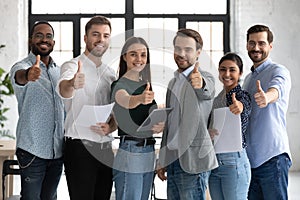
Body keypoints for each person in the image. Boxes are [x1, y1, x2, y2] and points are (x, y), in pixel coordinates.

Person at [57, 16, 117, 200]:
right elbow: (63, 90)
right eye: (96, 34)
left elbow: (114, 114)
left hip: (105, 148)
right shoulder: (73, 65)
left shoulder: (110, 73)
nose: (101, 40)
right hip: (79, 147)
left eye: (106, 36)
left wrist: (111, 127)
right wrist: (72, 83)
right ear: (85, 38)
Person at [156, 28, 218, 200]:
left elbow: (207, 90)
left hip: (193, 162)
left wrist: (200, 83)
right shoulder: (172, 83)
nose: (181, 53)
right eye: (178, 48)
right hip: (173, 160)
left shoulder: (206, 77)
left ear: (198, 53)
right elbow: (169, 125)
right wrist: (162, 159)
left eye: (188, 49)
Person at [10, 21, 64, 199]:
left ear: (53, 43)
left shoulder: (58, 72)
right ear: (30, 40)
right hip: (32, 151)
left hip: (56, 151)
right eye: (39, 35)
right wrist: (28, 75)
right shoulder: (21, 67)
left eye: (49, 36)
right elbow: (20, 77)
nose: (44, 39)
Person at [111, 36, 165, 200]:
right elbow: (124, 100)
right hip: (131, 151)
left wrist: (161, 124)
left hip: (148, 151)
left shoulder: (145, 85)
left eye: (143, 55)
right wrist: (139, 99)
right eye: (133, 54)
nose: (139, 59)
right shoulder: (119, 85)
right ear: (124, 57)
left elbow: (151, 116)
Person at [243, 24, 292, 200]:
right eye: (252, 43)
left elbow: (277, 89)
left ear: (270, 46)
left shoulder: (278, 71)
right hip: (250, 161)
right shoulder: (248, 79)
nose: (256, 48)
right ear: (247, 45)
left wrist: (268, 97)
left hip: (272, 158)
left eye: (261, 43)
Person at [208, 52, 251, 200]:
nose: (227, 74)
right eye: (222, 69)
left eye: (232, 69)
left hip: (234, 163)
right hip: (214, 163)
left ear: (240, 73)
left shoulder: (241, 96)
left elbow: (244, 106)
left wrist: (239, 106)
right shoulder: (216, 99)